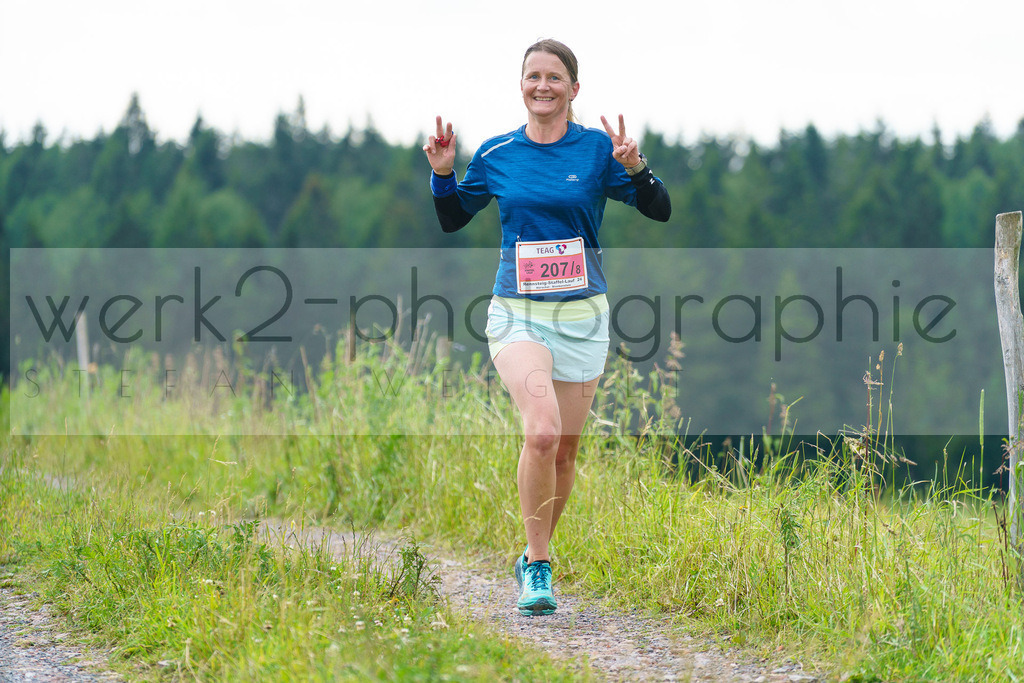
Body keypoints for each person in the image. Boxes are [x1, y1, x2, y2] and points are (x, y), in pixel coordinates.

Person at [422, 38, 671, 616]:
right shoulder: (497, 154)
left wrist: (636, 167)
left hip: (585, 317)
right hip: (518, 314)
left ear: (573, 90)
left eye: (554, 77)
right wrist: (442, 174)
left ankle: (532, 551)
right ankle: (539, 567)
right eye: (533, 75)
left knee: (564, 453)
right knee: (541, 433)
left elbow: (658, 208)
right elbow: (455, 217)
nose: (543, 85)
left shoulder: (594, 151)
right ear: (521, 85)